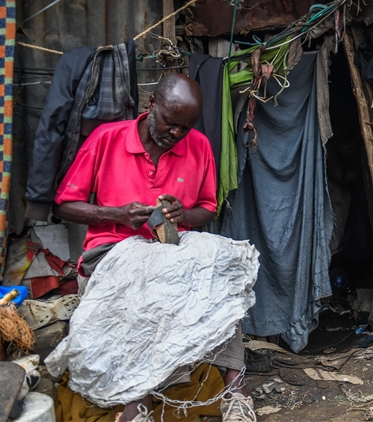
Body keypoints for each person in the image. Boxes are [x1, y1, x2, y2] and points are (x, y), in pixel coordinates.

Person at [53, 74, 255, 422]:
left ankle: (235, 389)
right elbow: (64, 205)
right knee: (149, 280)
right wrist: (117, 214)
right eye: (170, 122)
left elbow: (208, 208)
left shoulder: (199, 146)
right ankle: (139, 401)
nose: (176, 133)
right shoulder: (108, 138)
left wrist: (183, 214)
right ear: (152, 105)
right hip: (112, 249)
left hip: (170, 248)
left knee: (225, 270)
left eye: (185, 127)